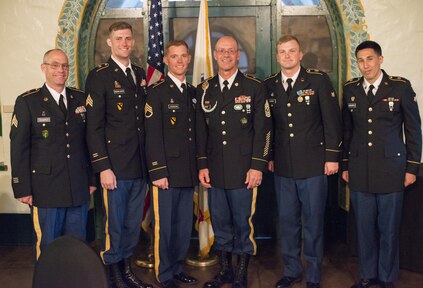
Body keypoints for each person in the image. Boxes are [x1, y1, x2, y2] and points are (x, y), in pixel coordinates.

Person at [342, 40, 422, 288]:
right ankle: (367, 275)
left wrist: (411, 168)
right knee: (364, 229)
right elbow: (347, 130)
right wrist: (345, 164)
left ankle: (386, 277)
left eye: (369, 59)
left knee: (388, 230)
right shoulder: (351, 89)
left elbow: (413, 130)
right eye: (360, 60)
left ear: (380, 59)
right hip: (359, 170)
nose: (365, 65)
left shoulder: (399, 87)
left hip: (391, 170)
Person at [264, 35, 342, 288]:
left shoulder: (317, 81)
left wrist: (332, 157)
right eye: (282, 52)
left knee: (313, 222)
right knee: (287, 222)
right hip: (284, 167)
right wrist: (271, 156)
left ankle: (314, 274)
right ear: (277, 56)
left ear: (300, 54)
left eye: (292, 51)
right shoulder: (270, 85)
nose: (287, 56)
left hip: (314, 165)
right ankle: (291, 270)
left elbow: (332, 122)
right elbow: (269, 127)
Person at [196, 35, 272, 288]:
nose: (226, 55)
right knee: (220, 222)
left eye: (231, 51)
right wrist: (203, 165)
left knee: (242, 223)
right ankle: (224, 271)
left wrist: (257, 165)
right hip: (216, 171)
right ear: (215, 55)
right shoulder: (205, 89)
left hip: (244, 171)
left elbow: (264, 130)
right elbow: (200, 132)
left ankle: (241, 273)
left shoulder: (253, 87)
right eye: (221, 51)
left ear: (238, 55)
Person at [10, 49, 96, 260]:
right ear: (44, 68)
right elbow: (19, 147)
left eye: (65, 66)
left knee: (77, 246)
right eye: (55, 65)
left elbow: (89, 143)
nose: (61, 70)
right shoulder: (28, 101)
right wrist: (22, 187)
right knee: (48, 247)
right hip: (45, 189)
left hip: (77, 187)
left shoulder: (80, 98)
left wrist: (92, 178)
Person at [85, 21, 152, 288]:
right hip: (115, 167)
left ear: (133, 42)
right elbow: (94, 126)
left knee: (132, 224)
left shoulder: (139, 73)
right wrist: (103, 167)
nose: (124, 43)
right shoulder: (99, 76)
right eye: (119, 38)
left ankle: (126, 271)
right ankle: (113, 275)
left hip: (139, 165)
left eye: (128, 38)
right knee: (115, 225)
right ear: (109, 43)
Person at [144, 40, 198, 288]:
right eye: (174, 56)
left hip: (187, 171)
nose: (179, 60)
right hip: (165, 173)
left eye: (183, 56)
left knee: (183, 225)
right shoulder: (156, 92)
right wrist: (157, 170)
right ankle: (164, 273)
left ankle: (177, 268)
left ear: (188, 59)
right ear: (165, 61)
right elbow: (152, 135)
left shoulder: (193, 92)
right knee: (164, 227)